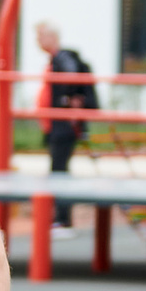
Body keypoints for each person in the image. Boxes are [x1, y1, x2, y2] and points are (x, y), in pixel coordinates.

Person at [38, 20, 97, 223]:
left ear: (52, 38)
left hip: (62, 125)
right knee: (58, 168)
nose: (37, 41)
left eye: (40, 36)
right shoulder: (56, 60)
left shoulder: (62, 59)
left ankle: (63, 219)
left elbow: (70, 79)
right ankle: (61, 218)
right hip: (56, 124)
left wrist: (67, 101)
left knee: (59, 170)